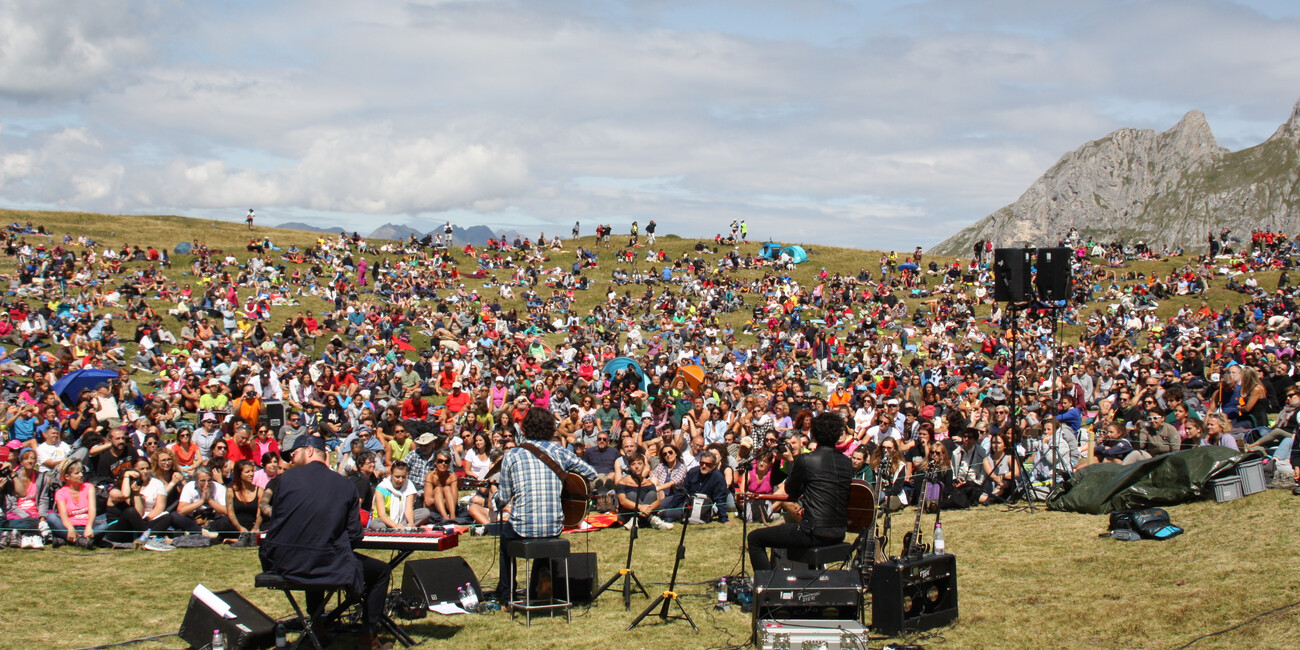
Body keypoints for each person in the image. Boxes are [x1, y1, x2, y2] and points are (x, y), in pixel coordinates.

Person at [259, 435, 393, 650]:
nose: (291, 460)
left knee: (316, 557)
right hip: (325, 564)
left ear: (309, 451)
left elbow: (277, 523)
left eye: (294, 454)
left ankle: (318, 630)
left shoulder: (284, 481)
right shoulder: (346, 485)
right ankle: (367, 636)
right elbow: (355, 535)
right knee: (381, 571)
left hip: (285, 563)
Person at [492, 407, 597, 602]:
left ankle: (507, 596)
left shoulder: (512, 455)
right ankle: (539, 586)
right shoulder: (559, 451)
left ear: (524, 429)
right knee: (543, 544)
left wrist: (493, 500)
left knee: (505, 546)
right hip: (553, 525)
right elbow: (591, 473)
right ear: (550, 429)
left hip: (522, 527)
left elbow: (503, 498)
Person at [748, 412, 853, 571]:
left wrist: (790, 461)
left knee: (755, 538)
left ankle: (767, 586)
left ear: (814, 435)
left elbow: (791, 491)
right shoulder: (846, 462)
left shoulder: (807, 460)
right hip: (838, 531)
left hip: (812, 531)